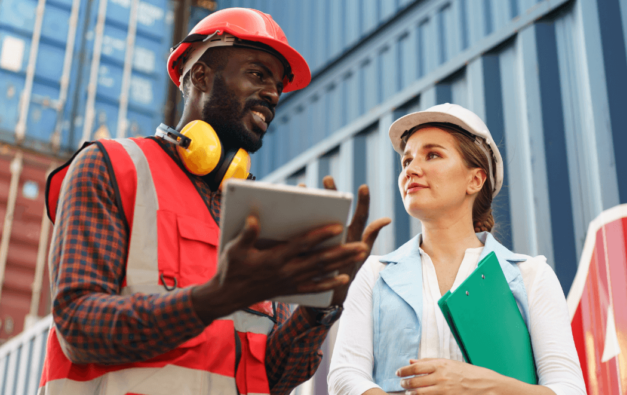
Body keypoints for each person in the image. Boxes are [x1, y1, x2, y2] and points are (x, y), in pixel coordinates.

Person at [39, 8, 389, 395]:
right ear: (201, 76)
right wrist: (213, 299)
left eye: (278, 85)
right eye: (258, 74)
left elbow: (274, 378)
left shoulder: (260, 213)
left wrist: (320, 308)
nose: (273, 94)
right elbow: (79, 327)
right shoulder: (111, 167)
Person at [328, 103, 586, 395]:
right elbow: (344, 376)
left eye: (433, 154)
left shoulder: (531, 275)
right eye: (406, 161)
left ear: (475, 179)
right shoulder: (375, 275)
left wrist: (478, 384)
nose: (411, 169)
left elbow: (569, 389)